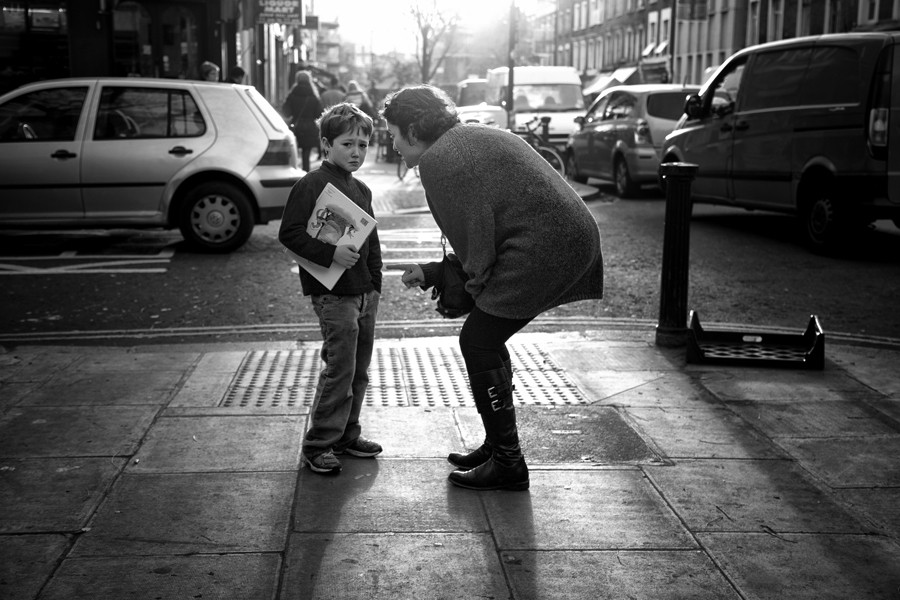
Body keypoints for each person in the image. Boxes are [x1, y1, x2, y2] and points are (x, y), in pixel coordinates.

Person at [384, 85, 604, 492]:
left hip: (545, 245)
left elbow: (478, 243)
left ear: (414, 130)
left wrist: (472, 290)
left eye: (394, 134)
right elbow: (483, 229)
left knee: (479, 340)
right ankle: (497, 445)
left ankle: (508, 461)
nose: (393, 144)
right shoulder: (468, 138)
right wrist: (438, 273)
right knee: (488, 335)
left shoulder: (440, 159)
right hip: (564, 237)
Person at [278, 103, 383, 475]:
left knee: (359, 370)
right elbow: (288, 234)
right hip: (332, 293)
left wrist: (375, 285)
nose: (356, 152)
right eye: (347, 144)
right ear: (325, 144)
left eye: (363, 144)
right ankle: (319, 443)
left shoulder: (362, 188)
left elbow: (372, 242)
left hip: (363, 294)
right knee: (339, 368)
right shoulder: (311, 184)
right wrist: (331, 252)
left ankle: (346, 435)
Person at [283, 70, 324, 171]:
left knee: (294, 151)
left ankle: (294, 172)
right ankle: (306, 173)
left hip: (295, 126)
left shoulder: (292, 95)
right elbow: (319, 114)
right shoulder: (313, 96)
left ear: (297, 80)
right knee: (306, 152)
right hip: (310, 127)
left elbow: (285, 112)